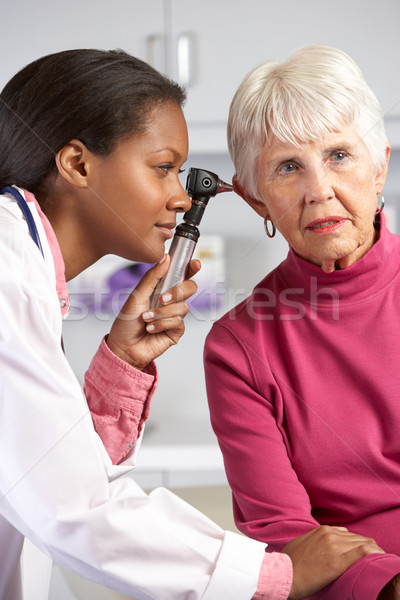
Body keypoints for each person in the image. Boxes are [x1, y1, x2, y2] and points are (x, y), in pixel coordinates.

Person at [0, 48, 382, 600]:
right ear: (79, 165)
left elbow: (47, 471)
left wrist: (124, 364)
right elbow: (73, 509)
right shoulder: (9, 272)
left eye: (340, 154)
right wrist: (276, 574)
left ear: (380, 166)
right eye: (164, 167)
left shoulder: (25, 268)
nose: (181, 196)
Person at [204, 44, 400, 600]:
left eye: (339, 154)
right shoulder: (238, 346)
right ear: (256, 200)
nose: (319, 190)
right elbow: (289, 542)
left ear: (379, 163)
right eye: (288, 167)